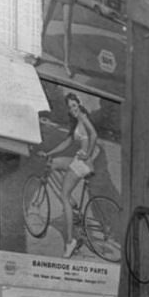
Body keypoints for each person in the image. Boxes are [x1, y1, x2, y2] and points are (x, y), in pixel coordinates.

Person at [40, 92, 99, 258]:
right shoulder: (76, 121)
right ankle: (72, 201)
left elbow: (94, 135)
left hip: (83, 162)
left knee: (63, 196)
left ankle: (70, 241)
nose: (73, 109)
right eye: (70, 107)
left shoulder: (82, 115)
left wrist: (87, 155)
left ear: (79, 104)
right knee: (53, 163)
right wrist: (49, 153)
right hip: (78, 160)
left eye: (75, 105)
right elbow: (67, 142)